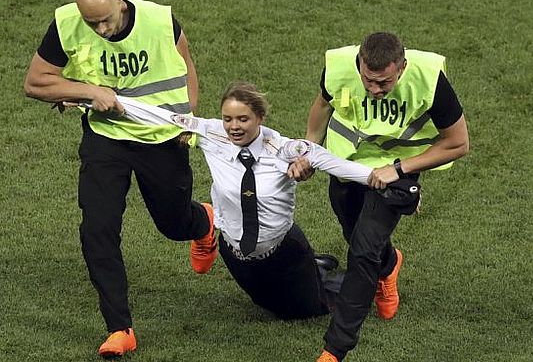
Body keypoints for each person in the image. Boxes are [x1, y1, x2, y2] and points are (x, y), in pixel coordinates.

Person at [23, 0, 217, 357]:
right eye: (92, 22)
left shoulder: (160, 21)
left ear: (121, 2)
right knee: (97, 229)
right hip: (106, 136)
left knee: (172, 223)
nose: (100, 30)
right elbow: (35, 82)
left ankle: (203, 223)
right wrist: (87, 91)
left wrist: (188, 119)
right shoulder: (66, 23)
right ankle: (119, 328)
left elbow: (186, 68)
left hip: (160, 138)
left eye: (105, 21)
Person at [117, 81, 380, 320]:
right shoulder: (212, 134)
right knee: (271, 307)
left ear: (260, 118)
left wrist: (386, 177)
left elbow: (333, 163)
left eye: (243, 119)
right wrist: (104, 98)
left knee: (309, 310)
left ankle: (359, 274)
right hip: (236, 255)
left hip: (283, 252)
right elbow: (159, 116)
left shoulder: (285, 149)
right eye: (228, 119)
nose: (234, 127)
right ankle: (316, 267)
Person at [295, 32, 470, 361]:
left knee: (362, 252)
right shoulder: (338, 66)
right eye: (368, 80)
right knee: (355, 234)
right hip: (347, 168)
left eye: (384, 83)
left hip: (396, 174)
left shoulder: (430, 80)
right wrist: (309, 149)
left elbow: (459, 143)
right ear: (360, 63)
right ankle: (389, 265)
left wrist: (399, 168)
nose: (375, 90)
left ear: (402, 68)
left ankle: (334, 350)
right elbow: (322, 104)